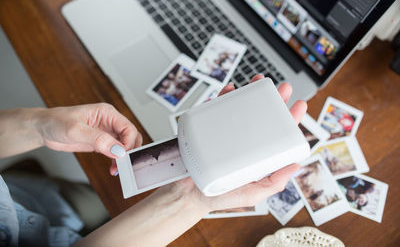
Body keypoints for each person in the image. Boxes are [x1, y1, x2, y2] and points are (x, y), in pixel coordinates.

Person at [0, 75, 306, 246]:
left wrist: (38, 123)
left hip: (26, 201)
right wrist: (192, 200)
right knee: (92, 201)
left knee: (79, 196)